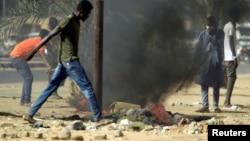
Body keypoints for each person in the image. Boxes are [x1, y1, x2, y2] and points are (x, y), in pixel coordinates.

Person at [23, 0, 103, 123]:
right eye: (88, 13)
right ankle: (98, 118)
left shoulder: (76, 21)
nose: (88, 16)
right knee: (88, 89)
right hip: (70, 62)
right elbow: (50, 35)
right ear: (82, 12)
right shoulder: (69, 19)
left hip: (63, 63)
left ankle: (29, 114)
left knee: (49, 88)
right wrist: (33, 51)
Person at [9, 29, 51, 106]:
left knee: (27, 78)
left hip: (14, 57)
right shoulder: (40, 42)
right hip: (17, 57)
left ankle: (23, 101)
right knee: (29, 78)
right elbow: (43, 56)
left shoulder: (36, 39)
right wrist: (48, 66)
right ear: (46, 37)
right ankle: (26, 101)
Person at [193, 16, 224, 113]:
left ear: (215, 25)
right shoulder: (202, 34)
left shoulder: (220, 33)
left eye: (210, 25)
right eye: (207, 25)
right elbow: (199, 48)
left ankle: (216, 106)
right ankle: (205, 106)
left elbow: (221, 46)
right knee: (204, 84)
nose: (208, 27)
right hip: (204, 63)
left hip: (216, 62)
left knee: (216, 85)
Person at [223, 8, 241, 107]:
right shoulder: (231, 27)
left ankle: (227, 101)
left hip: (228, 55)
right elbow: (230, 41)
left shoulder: (227, 26)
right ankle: (227, 101)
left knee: (232, 77)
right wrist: (234, 56)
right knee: (231, 77)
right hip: (230, 56)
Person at [45, 17, 64, 99]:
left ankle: (53, 92)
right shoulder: (58, 32)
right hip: (55, 56)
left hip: (51, 56)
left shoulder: (50, 33)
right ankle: (53, 93)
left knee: (53, 74)